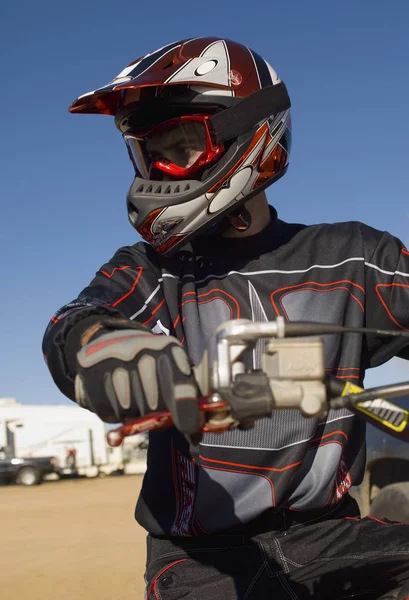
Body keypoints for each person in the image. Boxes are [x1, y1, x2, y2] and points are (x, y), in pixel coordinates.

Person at [42, 37, 409, 599]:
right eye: (148, 151)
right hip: (201, 559)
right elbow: (80, 319)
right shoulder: (150, 270)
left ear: (247, 131)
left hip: (334, 532)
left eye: (180, 144)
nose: (160, 170)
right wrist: (102, 348)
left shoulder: (355, 257)